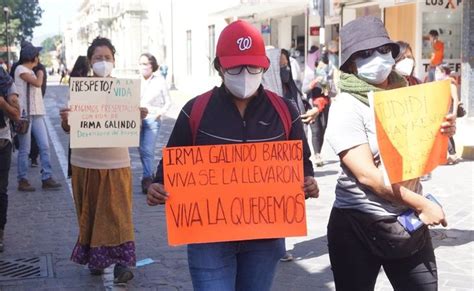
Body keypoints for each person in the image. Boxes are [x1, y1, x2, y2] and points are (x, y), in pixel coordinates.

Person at [147, 20, 319, 291]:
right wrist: (158, 187)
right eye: (235, 67)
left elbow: (302, 163)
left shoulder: (286, 111)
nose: (245, 74)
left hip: (266, 238)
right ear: (219, 67)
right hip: (209, 240)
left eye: (253, 66)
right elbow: (169, 167)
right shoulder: (195, 111)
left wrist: (308, 181)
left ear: (264, 66)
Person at [325, 16, 456, 291]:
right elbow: (368, 176)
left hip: (407, 219)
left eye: (383, 50)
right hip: (358, 224)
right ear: (351, 62)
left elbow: (420, 146)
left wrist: (442, 130)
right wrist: (422, 204)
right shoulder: (346, 106)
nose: (378, 57)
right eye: (365, 53)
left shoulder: (407, 93)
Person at [59, 37, 147, 283]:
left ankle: (122, 264)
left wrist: (138, 115)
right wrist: (66, 121)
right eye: (98, 58)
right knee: (89, 214)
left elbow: (130, 126)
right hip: (84, 163)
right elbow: (69, 127)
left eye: (107, 58)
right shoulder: (80, 89)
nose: (103, 62)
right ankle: (95, 260)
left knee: (119, 214)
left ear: (114, 61)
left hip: (116, 163)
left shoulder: (124, 90)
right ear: (90, 61)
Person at [14, 42, 61, 192]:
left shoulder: (31, 70)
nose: (39, 58)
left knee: (45, 146)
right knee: (25, 149)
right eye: (37, 55)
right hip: (25, 114)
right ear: (32, 57)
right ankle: (23, 179)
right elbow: (38, 83)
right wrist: (41, 72)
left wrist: (38, 70)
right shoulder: (21, 69)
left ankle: (47, 176)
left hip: (37, 112)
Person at [138, 53, 171, 194]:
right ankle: (148, 173)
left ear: (152, 65)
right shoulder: (136, 81)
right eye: (140, 64)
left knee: (147, 149)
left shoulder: (160, 81)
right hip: (137, 120)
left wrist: (159, 113)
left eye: (145, 64)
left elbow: (168, 102)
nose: (143, 67)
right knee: (141, 149)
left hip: (153, 119)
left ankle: (147, 177)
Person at [0, 67, 20, 252]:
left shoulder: (5, 81)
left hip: (2, 143)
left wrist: (2, 104)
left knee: (0, 191)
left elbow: (16, 114)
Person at [435, 64, 461, 165]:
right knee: (447, 135)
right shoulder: (441, 84)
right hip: (441, 111)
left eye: (438, 71)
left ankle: (453, 155)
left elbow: (455, 99)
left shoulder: (451, 83)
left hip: (448, 112)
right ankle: (452, 155)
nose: (436, 74)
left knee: (446, 133)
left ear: (444, 72)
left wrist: (454, 114)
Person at [29, 61, 48, 167]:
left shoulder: (40, 68)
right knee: (25, 147)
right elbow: (40, 84)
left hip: (36, 110)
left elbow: (42, 86)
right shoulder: (21, 69)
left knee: (42, 143)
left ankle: (46, 174)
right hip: (27, 111)